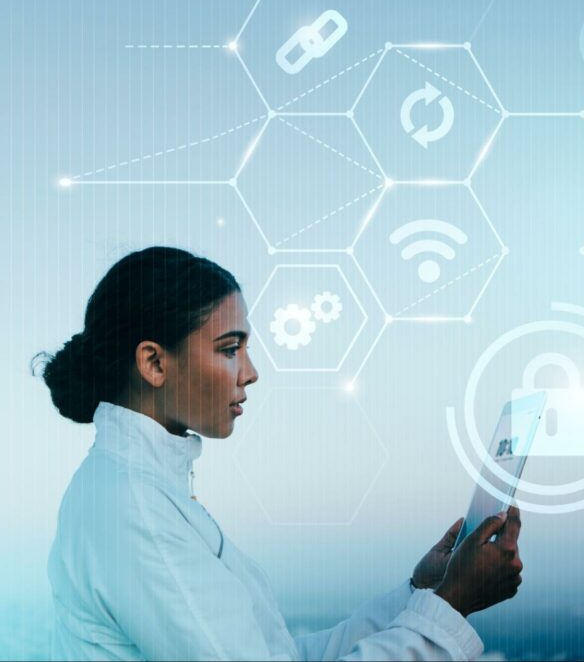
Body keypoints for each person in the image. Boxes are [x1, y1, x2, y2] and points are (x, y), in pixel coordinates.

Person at [37, 247, 523, 661]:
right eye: (230, 349)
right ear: (154, 362)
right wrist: (452, 605)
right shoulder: (133, 508)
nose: (249, 373)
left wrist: (423, 594)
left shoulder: (148, 490)